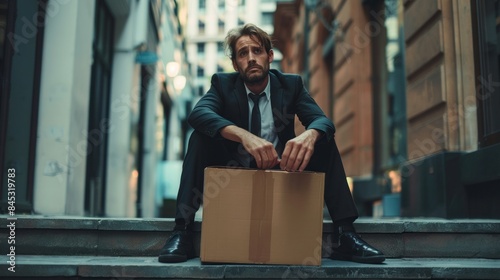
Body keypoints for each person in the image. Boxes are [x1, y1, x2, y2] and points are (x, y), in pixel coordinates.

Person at [158, 23, 385, 264]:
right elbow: (199, 113)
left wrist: (309, 135)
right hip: (234, 174)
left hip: (282, 170)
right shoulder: (223, 85)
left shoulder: (291, 85)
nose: (251, 58)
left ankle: (346, 234)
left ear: (269, 56)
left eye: (257, 51)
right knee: (200, 137)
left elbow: (323, 121)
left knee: (323, 140)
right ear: (235, 64)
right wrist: (244, 136)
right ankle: (182, 231)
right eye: (243, 54)